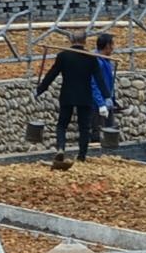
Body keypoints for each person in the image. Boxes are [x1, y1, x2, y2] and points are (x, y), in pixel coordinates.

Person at [33, 30, 111, 164]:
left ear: (71, 40)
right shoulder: (91, 57)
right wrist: (107, 97)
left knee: (62, 125)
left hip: (67, 95)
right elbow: (99, 79)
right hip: (84, 95)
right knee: (84, 127)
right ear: (85, 41)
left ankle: (61, 148)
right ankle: (81, 156)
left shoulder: (63, 56)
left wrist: (39, 90)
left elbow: (52, 74)